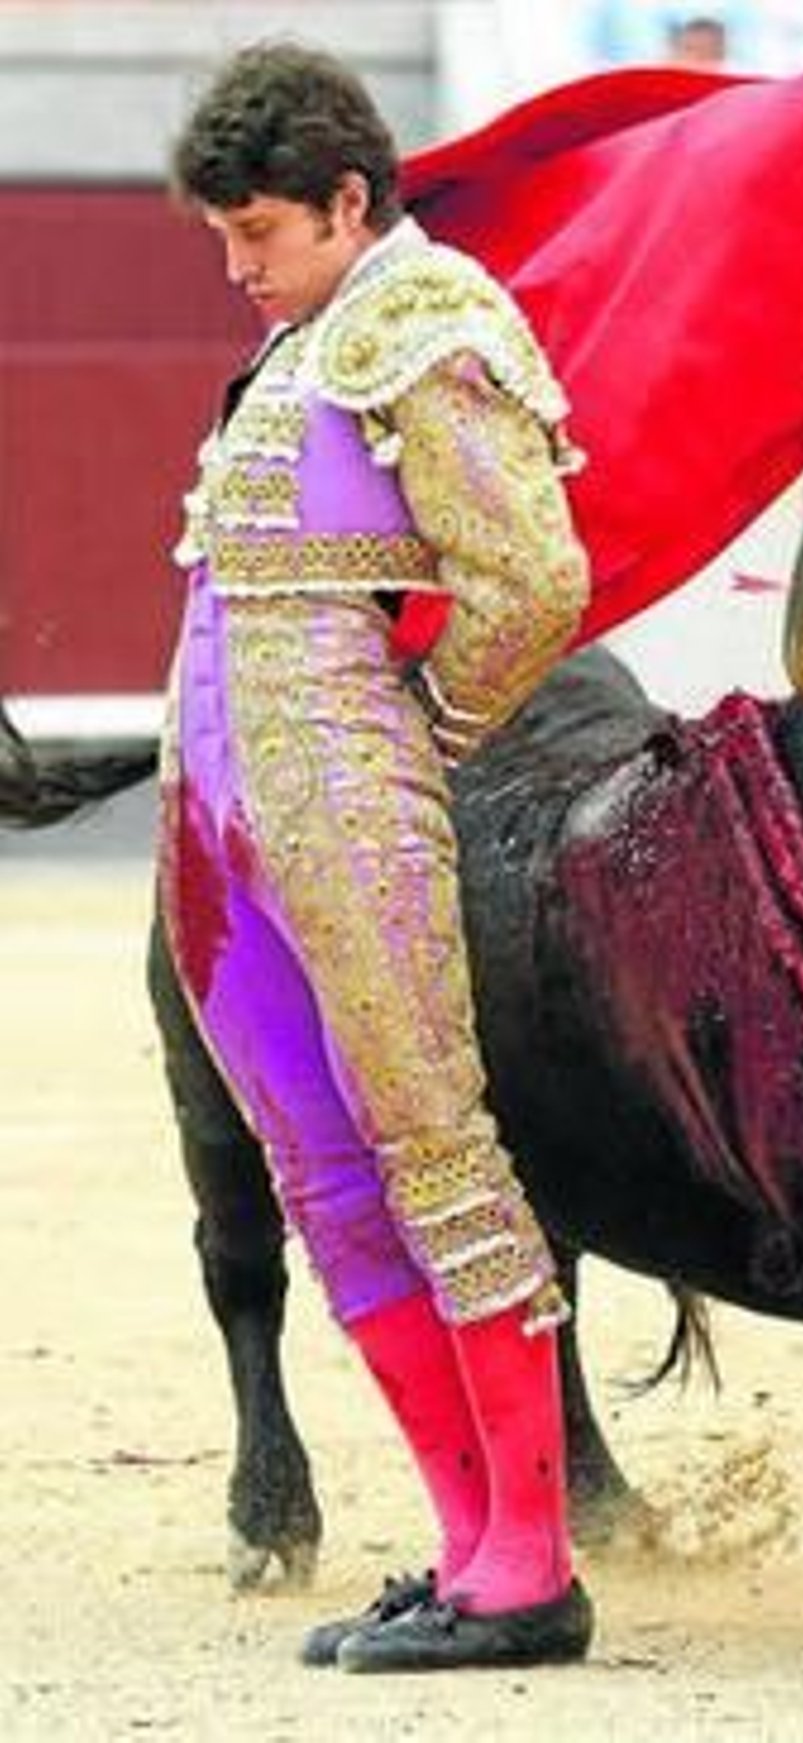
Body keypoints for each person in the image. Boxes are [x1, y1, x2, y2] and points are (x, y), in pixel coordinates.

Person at [164, 43, 593, 1674]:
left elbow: (532, 576)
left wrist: (432, 725)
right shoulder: (308, 343)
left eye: (258, 231)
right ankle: (469, 1541)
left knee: (432, 1147)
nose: (237, 266)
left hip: (343, 798)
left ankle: (533, 1561)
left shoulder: (428, 318)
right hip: (222, 825)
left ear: (349, 200)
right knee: (324, 1173)